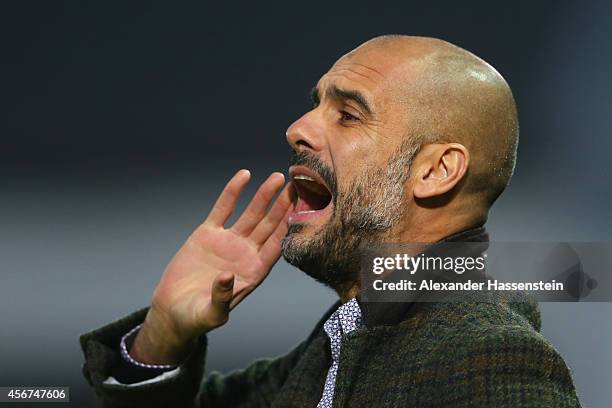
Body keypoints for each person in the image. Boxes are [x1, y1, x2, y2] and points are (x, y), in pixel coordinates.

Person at [80, 35, 581, 407]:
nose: (297, 129)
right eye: (315, 104)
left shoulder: (492, 357)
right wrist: (164, 335)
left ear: (435, 171)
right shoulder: (336, 345)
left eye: (348, 115)